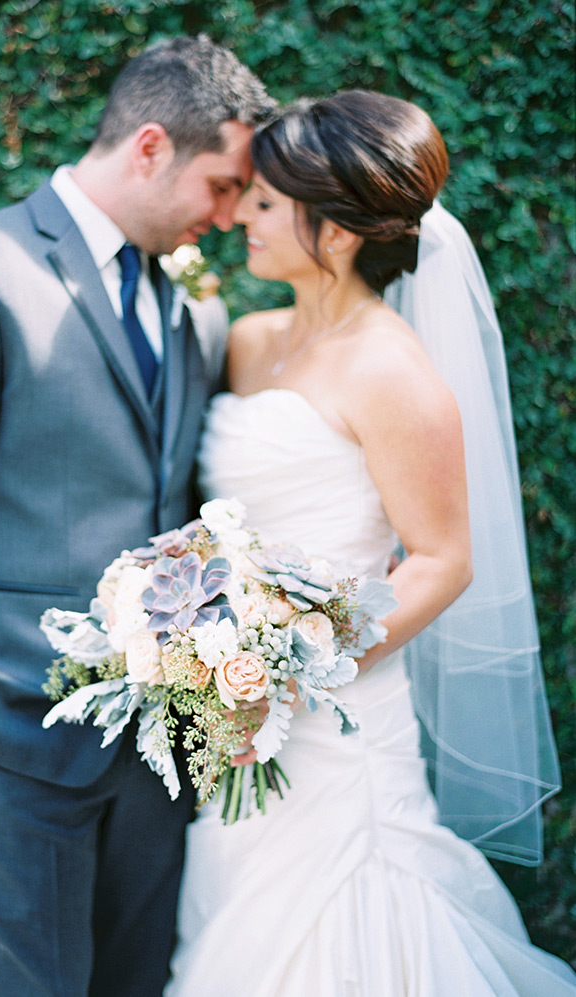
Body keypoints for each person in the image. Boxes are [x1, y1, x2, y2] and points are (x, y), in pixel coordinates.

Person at [0, 35, 274, 997]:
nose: (226, 215)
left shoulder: (194, 306)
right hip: (7, 732)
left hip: (158, 747)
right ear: (148, 146)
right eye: (220, 185)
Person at [165, 92, 576, 995]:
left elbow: (443, 558)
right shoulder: (248, 340)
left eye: (266, 204)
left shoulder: (394, 370)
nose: (239, 217)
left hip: (339, 722)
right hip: (238, 719)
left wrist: (295, 672)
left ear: (339, 233)